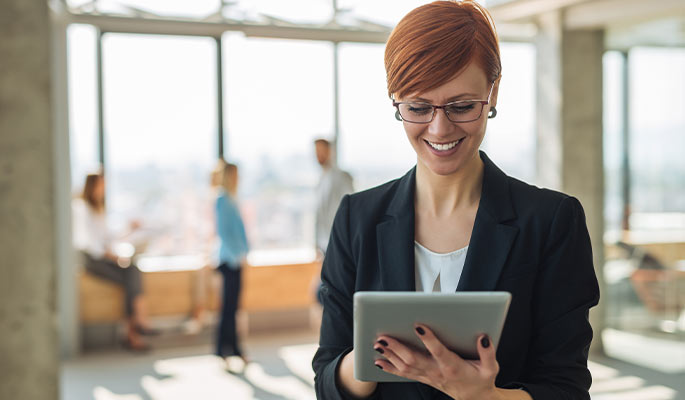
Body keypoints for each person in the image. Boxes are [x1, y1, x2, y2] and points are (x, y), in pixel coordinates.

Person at [312, 2, 600, 400]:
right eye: (418, 107)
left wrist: (484, 396)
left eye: (462, 106)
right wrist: (368, 361)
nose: (439, 128)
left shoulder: (551, 222)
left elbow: (566, 389)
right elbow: (326, 379)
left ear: (492, 91)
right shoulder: (356, 219)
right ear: (395, 100)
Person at [73, 172, 157, 352]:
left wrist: (129, 229)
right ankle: (138, 325)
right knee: (131, 277)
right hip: (93, 260)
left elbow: (108, 238)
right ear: (92, 186)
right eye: (101, 186)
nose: (103, 190)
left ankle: (134, 331)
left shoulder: (98, 209)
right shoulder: (82, 208)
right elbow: (93, 245)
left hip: (104, 257)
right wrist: (114, 257)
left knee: (132, 272)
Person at [214, 162, 250, 369]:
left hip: (237, 259)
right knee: (227, 308)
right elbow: (225, 232)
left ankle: (235, 348)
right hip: (229, 260)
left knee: (234, 308)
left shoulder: (232, 198)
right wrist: (238, 254)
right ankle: (223, 350)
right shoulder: (221, 199)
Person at [312, 139, 354, 303]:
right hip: (324, 244)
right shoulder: (321, 179)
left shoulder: (341, 177)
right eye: (316, 152)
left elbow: (349, 208)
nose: (319, 155)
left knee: (331, 291)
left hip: (336, 241)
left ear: (331, 152)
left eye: (322, 151)